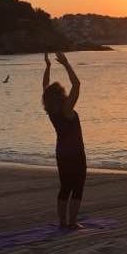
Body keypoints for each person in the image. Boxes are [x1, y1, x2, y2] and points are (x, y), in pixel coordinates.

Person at [42, 52, 86, 228]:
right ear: (61, 95)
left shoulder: (52, 112)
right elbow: (77, 84)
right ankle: (73, 222)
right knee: (77, 187)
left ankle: (62, 222)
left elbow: (45, 87)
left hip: (61, 153)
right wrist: (66, 64)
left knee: (65, 187)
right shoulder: (67, 110)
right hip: (75, 153)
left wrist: (48, 67)